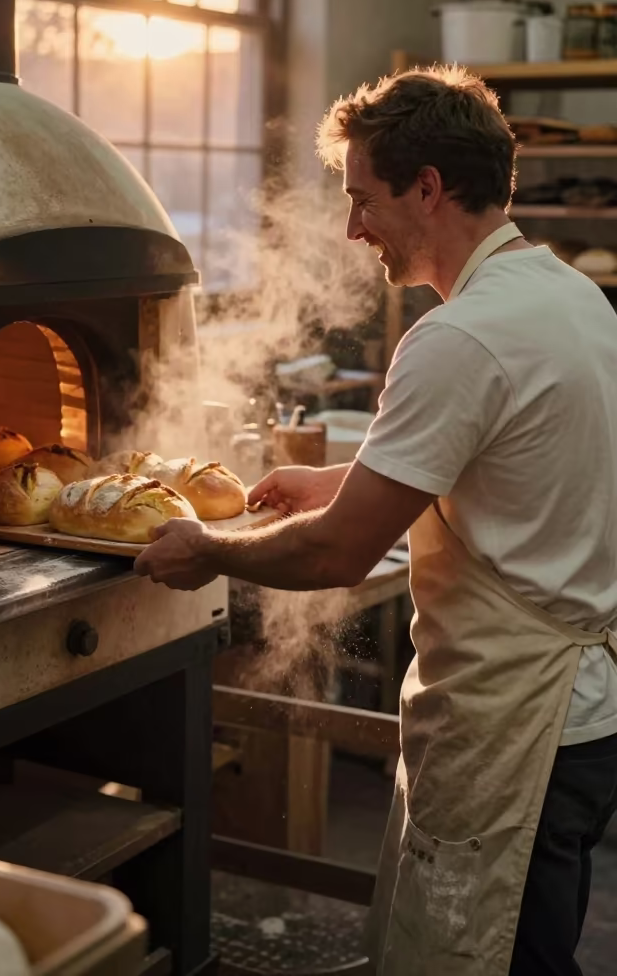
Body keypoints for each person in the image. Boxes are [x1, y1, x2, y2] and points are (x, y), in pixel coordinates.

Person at [135, 66, 617, 976]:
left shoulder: (457, 337)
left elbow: (339, 552)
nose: (353, 228)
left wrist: (208, 550)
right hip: (583, 712)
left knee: (492, 958)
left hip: (519, 724)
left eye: (362, 199)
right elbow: (510, 462)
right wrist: (343, 478)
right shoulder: (565, 296)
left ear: (427, 188)